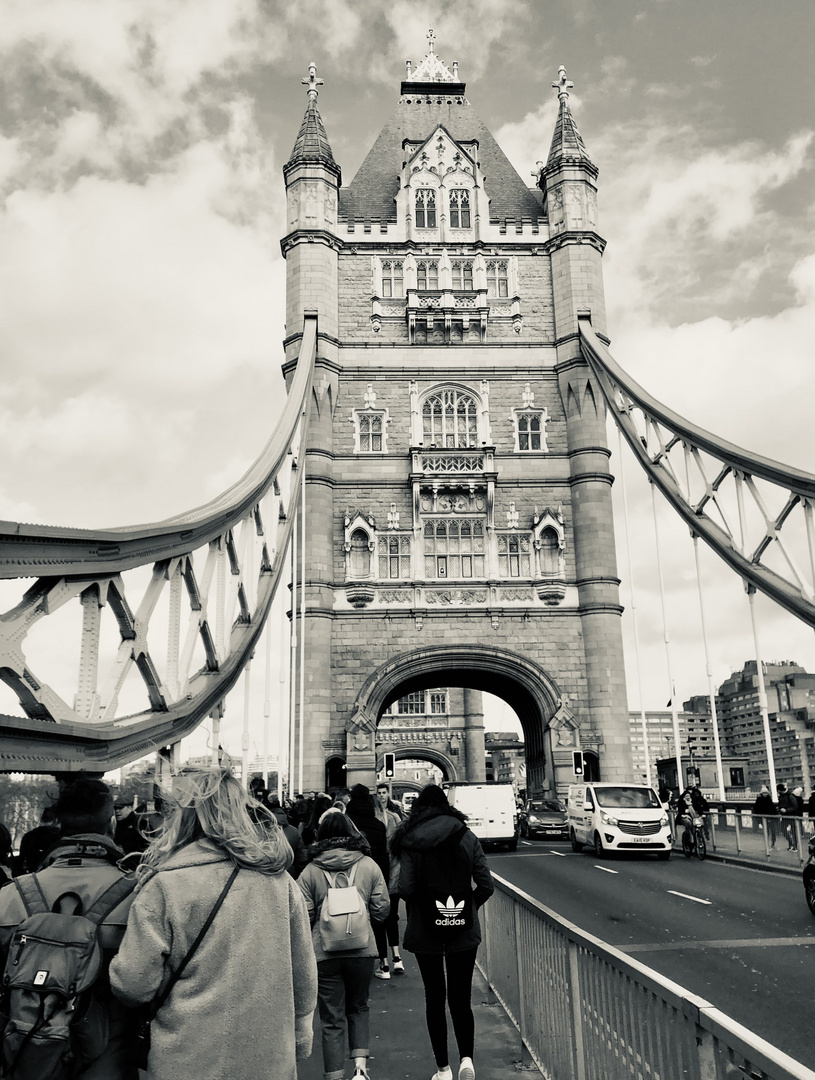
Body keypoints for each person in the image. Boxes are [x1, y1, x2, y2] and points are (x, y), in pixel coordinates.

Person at [109, 768, 317, 1080]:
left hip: (187, 1058)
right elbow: (303, 971)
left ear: (183, 816)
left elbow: (134, 984)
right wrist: (300, 1033)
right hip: (268, 1058)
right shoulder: (280, 881)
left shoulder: (164, 885)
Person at [0, 779, 138, 1079]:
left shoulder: (11, 895)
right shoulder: (138, 897)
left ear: (58, 824)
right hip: (106, 1056)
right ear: (111, 824)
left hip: (29, 1051)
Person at [391, 784, 494, 1080]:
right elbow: (486, 885)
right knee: (461, 998)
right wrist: (467, 907)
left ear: (419, 809)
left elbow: (406, 888)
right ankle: (467, 1062)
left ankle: (443, 1069)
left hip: (425, 928)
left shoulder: (409, 840)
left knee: (434, 997)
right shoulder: (466, 835)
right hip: (463, 927)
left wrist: (426, 905)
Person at [298, 810, 390, 1080]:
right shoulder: (368, 865)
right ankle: (360, 1069)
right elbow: (382, 908)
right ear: (352, 833)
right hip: (362, 951)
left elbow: (304, 914)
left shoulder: (310, 871)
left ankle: (334, 1076)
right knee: (359, 1007)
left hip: (324, 954)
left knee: (331, 1018)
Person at [373, 783, 405, 979]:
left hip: (390, 877)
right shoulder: (382, 818)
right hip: (386, 876)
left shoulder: (393, 817)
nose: (382, 796)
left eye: (384, 792)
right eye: (379, 793)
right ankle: (390, 960)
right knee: (387, 918)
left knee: (386, 918)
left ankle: (393, 959)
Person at [267, 794, 309, 877]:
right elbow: (301, 858)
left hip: (264, 876)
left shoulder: (256, 830)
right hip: (288, 874)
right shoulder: (294, 831)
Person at [17, 804, 60, 873]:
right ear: (57, 820)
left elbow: (20, 862)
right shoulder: (61, 838)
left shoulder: (30, 836)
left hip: (33, 875)